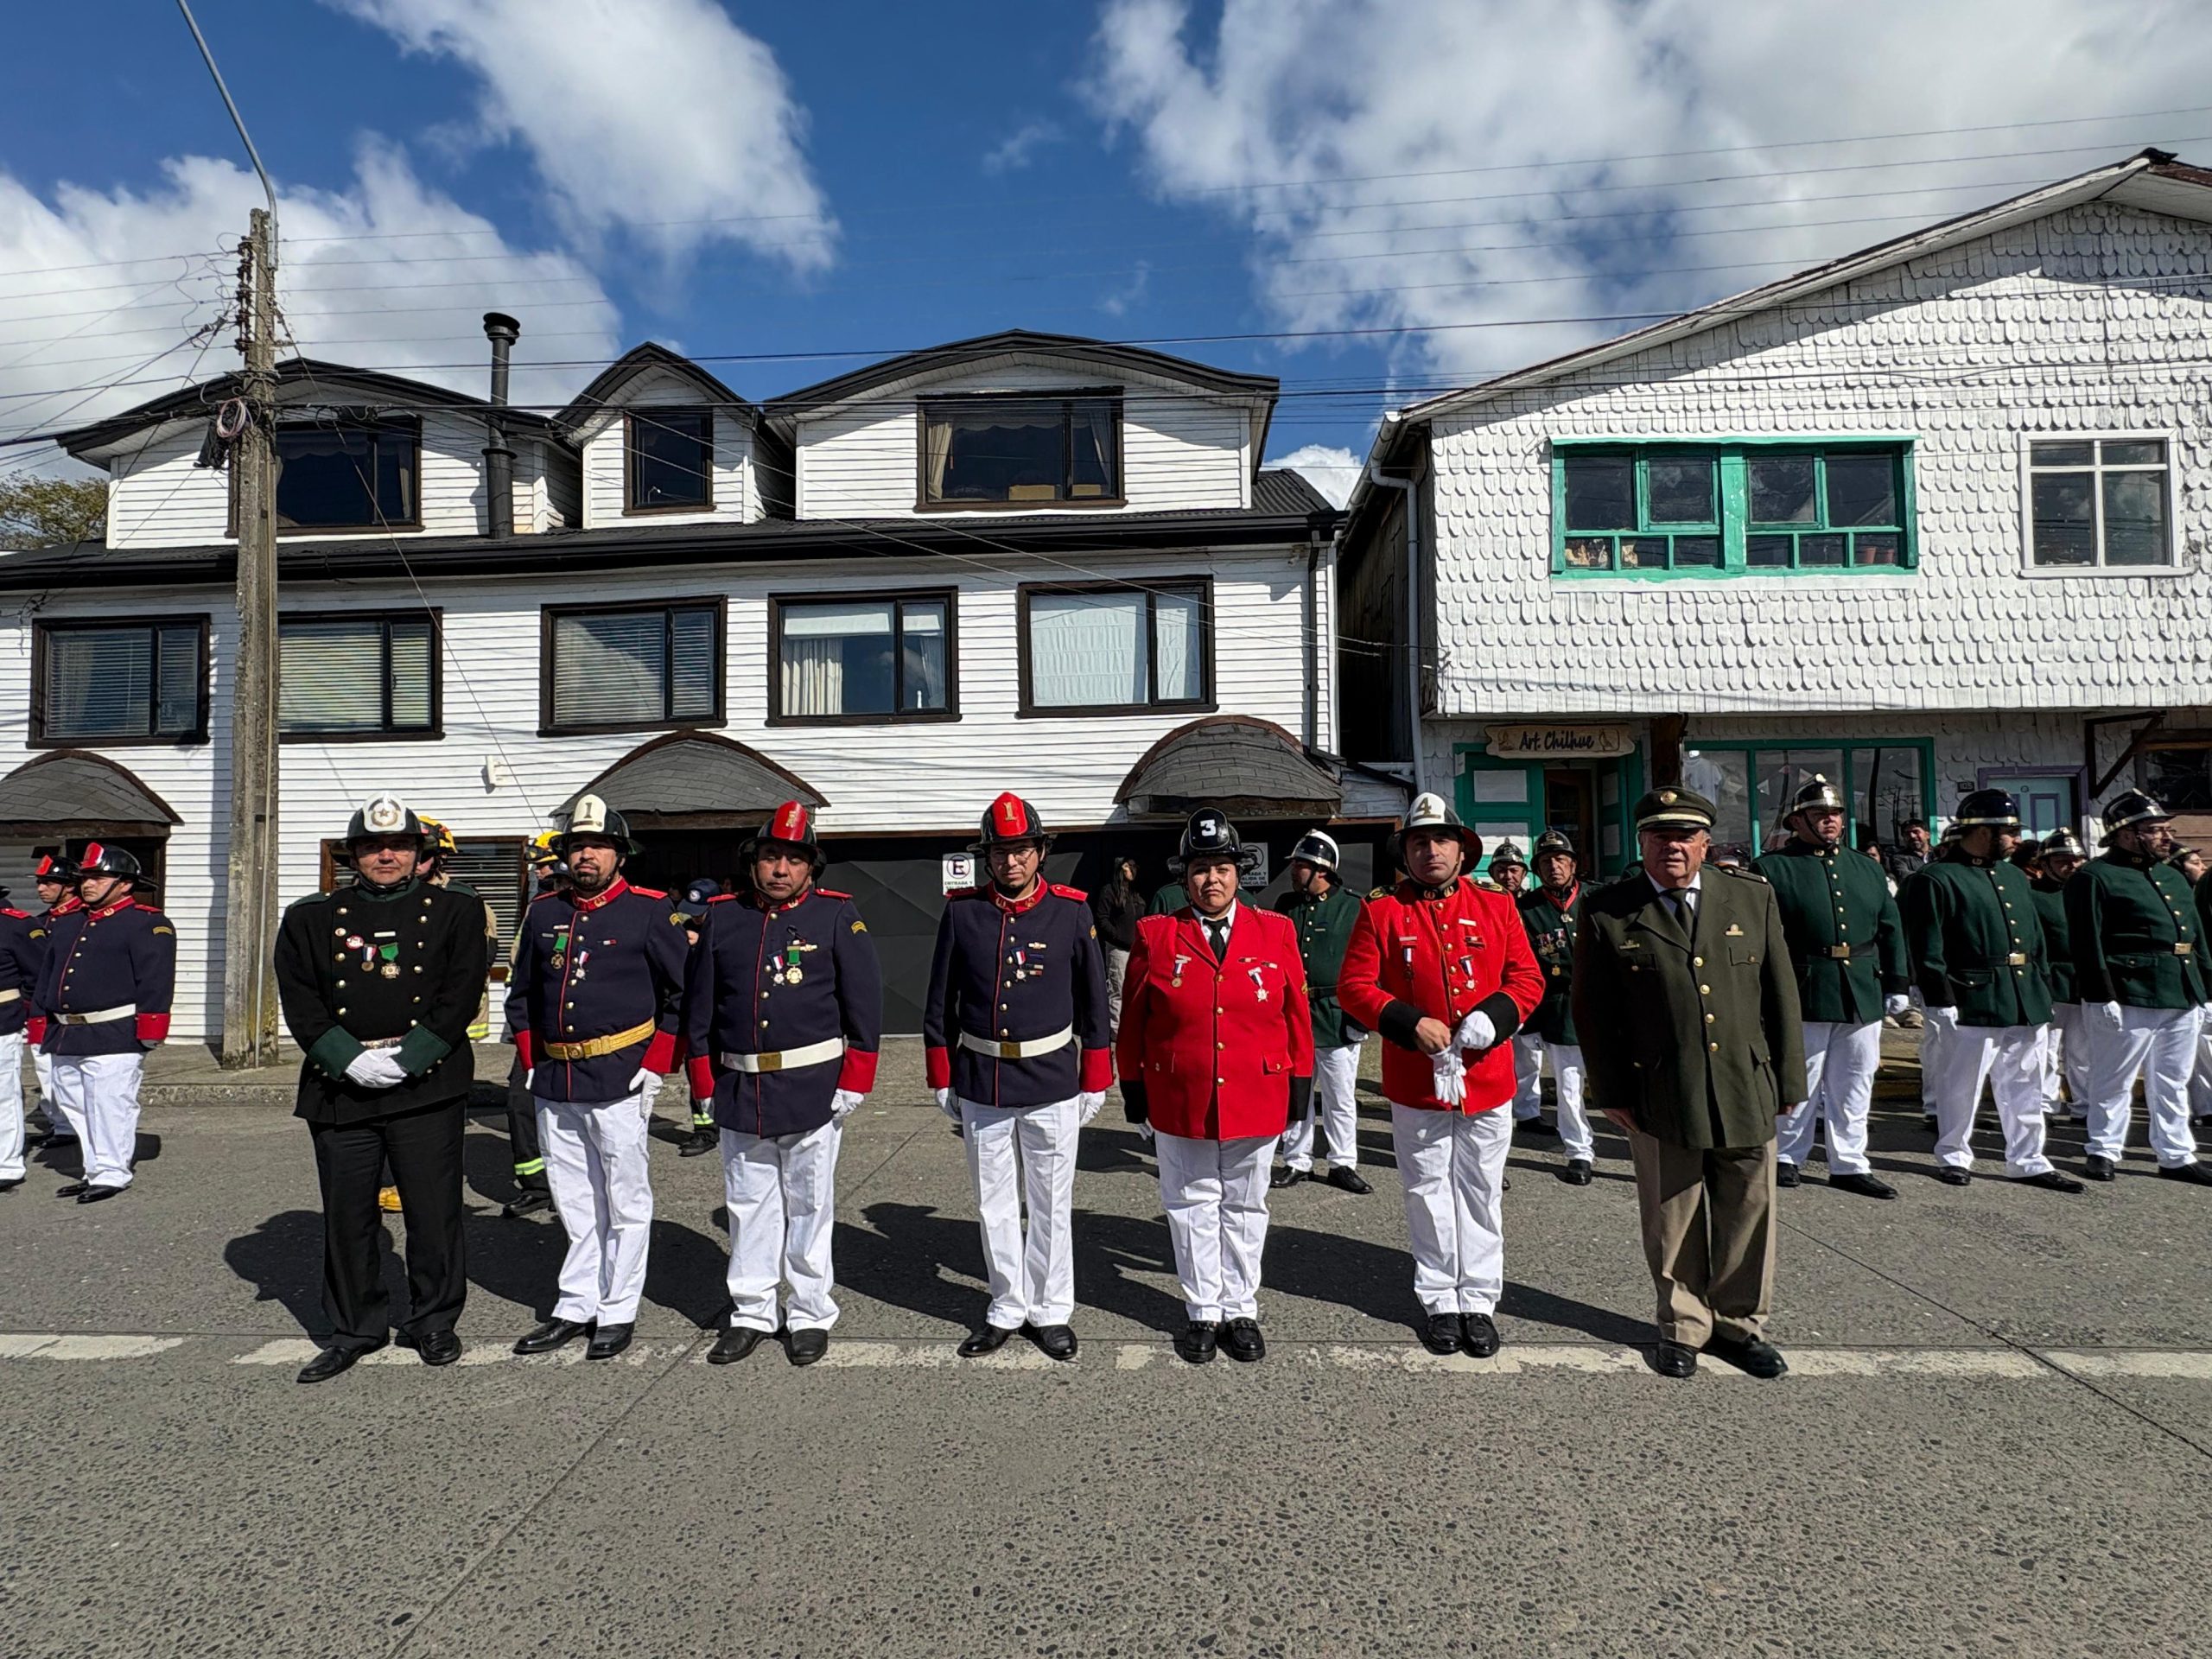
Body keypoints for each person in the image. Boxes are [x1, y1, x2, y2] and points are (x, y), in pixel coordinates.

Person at [1573, 786, 1804, 1382]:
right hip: (1659, 1086)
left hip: (1744, 1082)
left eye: (1684, 836)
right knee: (1672, 1212)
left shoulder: (1750, 898)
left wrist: (1790, 1076)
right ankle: (1682, 1325)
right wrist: (1610, 1091)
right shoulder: (1608, 910)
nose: (1672, 846)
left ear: (1705, 843)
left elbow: (1780, 993)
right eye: (1659, 835)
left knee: (1748, 1207)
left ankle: (1740, 1325)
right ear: (1642, 843)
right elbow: (1594, 1011)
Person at [275, 797, 492, 1382]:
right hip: (342, 1087)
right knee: (348, 1216)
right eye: (372, 846)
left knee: (433, 1211)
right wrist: (347, 1059)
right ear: (354, 856)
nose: (386, 855)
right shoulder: (310, 917)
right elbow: (300, 998)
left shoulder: (455, 910)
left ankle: (433, 1320)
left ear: (420, 854)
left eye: (399, 846)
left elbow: (461, 991)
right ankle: (355, 1328)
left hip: (427, 1082)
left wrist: (411, 1057)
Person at [1339, 794, 1543, 1358]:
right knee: (1428, 1192)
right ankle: (1439, 1301)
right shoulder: (1381, 911)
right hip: (1416, 1079)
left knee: (1480, 1191)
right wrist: (1407, 1022)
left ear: (1461, 850)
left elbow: (1527, 978)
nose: (1431, 850)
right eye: (1419, 842)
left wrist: (1493, 1017)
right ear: (1405, 852)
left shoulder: (1497, 905)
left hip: (1487, 1077)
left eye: (1441, 840)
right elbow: (1355, 987)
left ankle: (1478, 1299)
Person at [685, 802, 883, 1366]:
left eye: (793, 860)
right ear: (754, 862)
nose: (779, 869)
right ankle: (751, 1311)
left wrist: (856, 1078)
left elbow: (864, 1002)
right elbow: (699, 1009)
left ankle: (809, 1312)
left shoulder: (836, 915)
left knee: (809, 1205)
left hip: (812, 1087)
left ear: (810, 867)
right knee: (748, 1205)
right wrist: (703, 1081)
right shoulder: (723, 918)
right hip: (740, 1087)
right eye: (770, 856)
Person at [1117, 808, 1313, 1364]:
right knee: (1191, 1204)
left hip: (1257, 1090)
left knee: (1247, 1205)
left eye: (1222, 868)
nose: (1212, 880)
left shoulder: (1276, 930)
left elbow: (1296, 1016)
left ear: (1238, 873)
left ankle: (1241, 1308)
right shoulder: (1157, 935)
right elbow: (1133, 1021)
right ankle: (1203, 1309)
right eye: (1200, 869)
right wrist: (1133, 1087)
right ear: (1185, 877)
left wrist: (1301, 1090)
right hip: (1180, 1095)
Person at [925, 792, 1111, 1361]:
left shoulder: (1071, 912)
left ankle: (1051, 1310)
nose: (1011, 862)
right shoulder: (962, 913)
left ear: (1041, 853)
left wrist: (1095, 1076)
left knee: (1051, 1202)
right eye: (1001, 852)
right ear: (987, 856)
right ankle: (1006, 1305)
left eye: (1022, 850)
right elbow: (940, 1001)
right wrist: (941, 1074)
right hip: (982, 1079)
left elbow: (1094, 1001)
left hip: (1052, 1078)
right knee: (994, 1204)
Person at [505, 796, 689, 1362]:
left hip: (619, 1074)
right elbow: (522, 994)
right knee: (573, 1198)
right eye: (578, 846)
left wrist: (656, 1064)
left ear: (619, 855)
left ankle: (618, 1308)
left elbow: (683, 995)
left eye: (599, 846)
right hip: (555, 1077)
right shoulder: (544, 912)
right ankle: (576, 1301)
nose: (587, 855)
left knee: (624, 1199)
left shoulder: (650, 910)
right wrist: (532, 1061)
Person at [1898, 790, 2081, 1192]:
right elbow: (1926, 946)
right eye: (2010, 832)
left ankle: (2028, 1158)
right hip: (1972, 995)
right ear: (1983, 832)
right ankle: (1954, 1154)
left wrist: (2041, 984)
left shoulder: (2014, 876)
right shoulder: (1935, 879)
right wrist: (1938, 997)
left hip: (2023, 994)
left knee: (2026, 1083)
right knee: (1961, 1084)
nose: (2017, 840)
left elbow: (2035, 938)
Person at [1752, 775, 1910, 1199]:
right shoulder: (1772, 869)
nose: (1830, 821)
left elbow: (1890, 927)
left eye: (1835, 814)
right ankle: (1787, 1156)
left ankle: (1850, 1163)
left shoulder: (1866, 867)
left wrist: (1897, 981)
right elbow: (1759, 935)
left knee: (1856, 1079)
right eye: (1819, 814)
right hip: (1804, 984)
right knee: (1800, 1076)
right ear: (1796, 821)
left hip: (1861, 985)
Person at [2067, 791, 2209, 1185]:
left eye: (2166, 829)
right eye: (2155, 829)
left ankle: (2176, 1154)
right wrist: (2100, 993)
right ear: (2127, 834)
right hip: (2129, 989)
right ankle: (2103, 1148)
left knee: (2173, 1078)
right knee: (2114, 1077)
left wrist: (2205, 984)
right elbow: (2086, 940)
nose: (2167, 836)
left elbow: (2194, 934)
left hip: (2180, 988)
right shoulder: (2094, 877)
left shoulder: (2171, 875)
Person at [32, 844, 175, 1203]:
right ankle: (94, 1168)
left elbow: (156, 979)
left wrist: (151, 1028)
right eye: (85, 877)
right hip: (66, 1031)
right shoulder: (68, 922)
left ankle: (112, 1172)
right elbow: (47, 976)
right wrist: (41, 1020)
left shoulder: (145, 922)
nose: (88, 884)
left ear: (124, 884)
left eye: (98, 877)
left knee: (110, 1104)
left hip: (115, 1030)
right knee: (74, 1104)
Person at [1272, 829, 1372, 1193]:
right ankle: (1297, 1160)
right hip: (1295, 1015)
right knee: (1297, 1091)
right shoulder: (1286, 905)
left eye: (1300, 865)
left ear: (1322, 869)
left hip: (1335, 1014)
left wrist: (1361, 1013)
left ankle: (1342, 1162)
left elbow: (1368, 962)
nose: (1293, 871)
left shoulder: (1353, 906)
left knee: (1339, 1096)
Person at [1516, 829, 1596, 1184]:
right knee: (1568, 1084)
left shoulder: (1596, 899)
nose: (1554, 867)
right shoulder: (1526, 908)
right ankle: (1579, 1151)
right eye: (1546, 862)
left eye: (1561, 859)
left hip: (1603, 1003)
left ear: (1574, 864)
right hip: (1560, 1007)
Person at [2029, 829, 2090, 1117]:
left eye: (2077, 859)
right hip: (2051, 980)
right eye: (2063, 861)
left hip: (2085, 981)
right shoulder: (2033, 896)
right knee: (2047, 1050)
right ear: (2045, 864)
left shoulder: (2090, 891)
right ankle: (2045, 1103)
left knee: (2083, 1051)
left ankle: (2085, 1105)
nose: (2072, 865)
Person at [23, 855, 74, 1150]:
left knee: (70, 1074)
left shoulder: (83, 920)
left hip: (70, 1010)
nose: (41, 888)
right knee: (45, 1068)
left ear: (69, 886)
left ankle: (73, 1126)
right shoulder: (40, 922)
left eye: (49, 882)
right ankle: (60, 1124)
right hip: (40, 1008)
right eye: (40, 883)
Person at [0, 884, 48, 1193]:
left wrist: (27, 1014)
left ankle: (6, 1164)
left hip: (2, 1020)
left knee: (2, 1096)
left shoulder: (16, 926)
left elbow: (39, 976)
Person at [671, 876, 724, 1155]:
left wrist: (701, 944)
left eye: (700, 912)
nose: (695, 918)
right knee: (697, 1071)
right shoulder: (686, 930)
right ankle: (704, 1129)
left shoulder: (727, 930)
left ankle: (729, 1125)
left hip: (722, 1015)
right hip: (694, 1014)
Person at [1091, 856, 1145, 1034]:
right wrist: (1118, 937)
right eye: (1127, 866)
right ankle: (1116, 1030)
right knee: (1118, 989)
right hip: (1118, 949)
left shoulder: (1135, 893)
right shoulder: (1109, 891)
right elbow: (1102, 919)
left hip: (1136, 948)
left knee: (1136, 988)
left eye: (1134, 866)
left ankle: (1132, 1026)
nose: (1131, 870)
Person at [1885, 819, 1933, 886]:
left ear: (1927, 835)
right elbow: (1905, 877)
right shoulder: (1899, 858)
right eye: (1907, 834)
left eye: (1916, 832)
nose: (1912, 836)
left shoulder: (1940, 854)